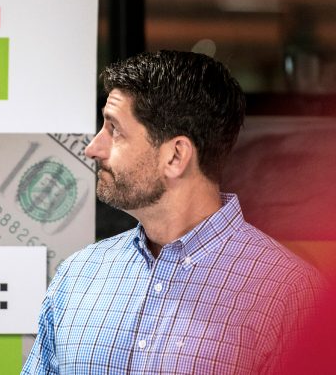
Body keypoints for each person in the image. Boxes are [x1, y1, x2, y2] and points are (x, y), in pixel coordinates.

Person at [22, 50, 325, 375]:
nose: (94, 147)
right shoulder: (79, 276)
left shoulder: (293, 297)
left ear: (176, 156)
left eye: (115, 130)